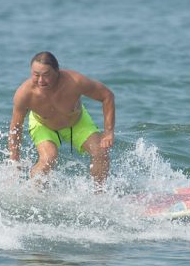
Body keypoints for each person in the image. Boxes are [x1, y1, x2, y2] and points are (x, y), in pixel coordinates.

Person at [8, 51, 116, 185]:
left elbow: (107, 96)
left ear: (57, 71)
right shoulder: (24, 94)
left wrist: (108, 132)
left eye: (46, 75)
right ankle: (34, 192)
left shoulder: (75, 82)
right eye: (36, 75)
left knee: (101, 152)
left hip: (77, 122)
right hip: (43, 125)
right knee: (49, 158)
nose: (41, 81)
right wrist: (14, 159)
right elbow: (16, 126)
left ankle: (99, 194)